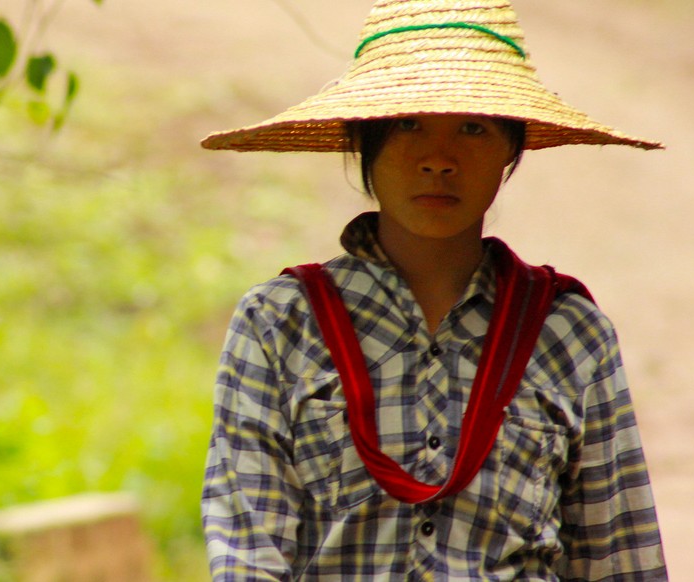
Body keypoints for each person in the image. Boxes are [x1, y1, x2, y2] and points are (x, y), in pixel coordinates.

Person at [198, 0, 667, 580]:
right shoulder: (279, 324)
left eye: (474, 127)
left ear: (512, 149)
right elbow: (248, 552)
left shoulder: (569, 333)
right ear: (362, 141)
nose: (439, 160)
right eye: (406, 123)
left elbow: (618, 558)